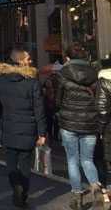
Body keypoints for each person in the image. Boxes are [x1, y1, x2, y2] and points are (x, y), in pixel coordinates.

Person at [0, 48, 46, 208]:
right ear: (20, 61)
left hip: (9, 126)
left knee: (10, 162)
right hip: (28, 128)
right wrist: (42, 133)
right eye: (28, 59)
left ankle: (16, 185)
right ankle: (22, 193)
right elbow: (39, 109)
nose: (31, 61)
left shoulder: (0, 81)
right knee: (25, 164)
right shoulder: (32, 82)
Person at [56, 43, 105, 209]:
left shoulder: (63, 73)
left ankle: (77, 195)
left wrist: (61, 109)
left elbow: (58, 99)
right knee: (87, 159)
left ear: (67, 57)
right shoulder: (94, 72)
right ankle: (96, 188)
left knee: (72, 160)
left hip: (68, 121)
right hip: (90, 121)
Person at [96, 58, 111, 203]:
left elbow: (102, 109)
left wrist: (99, 129)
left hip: (109, 127)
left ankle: (108, 192)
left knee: (107, 160)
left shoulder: (103, 81)